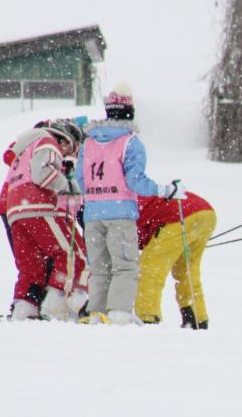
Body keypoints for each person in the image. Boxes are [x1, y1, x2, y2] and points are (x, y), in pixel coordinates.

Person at [76, 83, 184, 324]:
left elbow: (80, 180)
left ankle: (96, 312)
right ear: (129, 111)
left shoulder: (89, 143)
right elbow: (135, 181)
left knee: (99, 267)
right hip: (120, 214)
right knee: (124, 265)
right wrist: (165, 190)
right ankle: (119, 313)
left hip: (93, 214)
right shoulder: (130, 142)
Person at [2, 119, 89, 321]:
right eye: (70, 148)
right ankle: (57, 306)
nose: (67, 153)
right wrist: (68, 186)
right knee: (72, 254)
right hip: (41, 206)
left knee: (32, 266)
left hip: (17, 211)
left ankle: (25, 308)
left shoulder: (23, 150)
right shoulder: (48, 141)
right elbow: (43, 173)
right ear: (65, 138)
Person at [134, 191, 216, 328]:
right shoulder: (132, 195)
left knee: (149, 268)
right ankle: (196, 317)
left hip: (176, 215)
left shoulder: (117, 209)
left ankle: (147, 316)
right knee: (186, 271)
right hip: (204, 213)